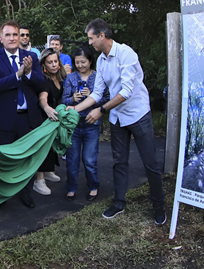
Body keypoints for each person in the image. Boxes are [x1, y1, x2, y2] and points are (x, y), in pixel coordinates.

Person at [71, 18, 165, 225]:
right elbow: (97, 92)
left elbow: (127, 91)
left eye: (91, 38)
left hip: (137, 114)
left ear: (102, 36)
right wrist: (74, 109)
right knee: (119, 162)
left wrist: (101, 110)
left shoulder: (126, 54)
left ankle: (159, 206)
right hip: (117, 118)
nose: (89, 43)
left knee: (150, 163)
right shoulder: (102, 61)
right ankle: (119, 202)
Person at [0, 20, 46, 208]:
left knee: (26, 159)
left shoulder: (31, 57)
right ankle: (1, 195)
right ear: (1, 38)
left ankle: (25, 193)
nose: (12, 38)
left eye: (15, 34)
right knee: (2, 159)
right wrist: (17, 75)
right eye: (8, 35)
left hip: (27, 118)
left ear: (20, 37)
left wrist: (28, 74)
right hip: (3, 119)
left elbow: (41, 83)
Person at [62, 46, 105, 201]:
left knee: (89, 159)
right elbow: (64, 100)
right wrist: (73, 99)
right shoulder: (71, 78)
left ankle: (93, 187)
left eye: (83, 62)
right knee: (72, 160)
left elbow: (106, 100)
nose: (80, 65)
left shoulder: (98, 76)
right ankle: (71, 188)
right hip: (74, 124)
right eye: (77, 62)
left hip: (91, 124)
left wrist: (92, 97)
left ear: (90, 61)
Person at [34, 48, 67, 195]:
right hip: (43, 118)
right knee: (43, 147)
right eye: (50, 62)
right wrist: (47, 108)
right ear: (44, 65)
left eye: (55, 61)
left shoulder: (59, 78)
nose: (53, 64)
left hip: (54, 117)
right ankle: (38, 180)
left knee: (51, 147)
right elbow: (42, 98)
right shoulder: (44, 80)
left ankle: (48, 171)